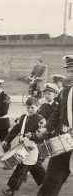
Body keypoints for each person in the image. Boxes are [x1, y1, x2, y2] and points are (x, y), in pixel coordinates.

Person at [37, 55, 73, 196]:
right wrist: (46, 127)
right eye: (69, 71)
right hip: (64, 141)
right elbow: (57, 115)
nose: (71, 75)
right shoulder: (66, 91)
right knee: (51, 180)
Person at [1, 97, 46, 196]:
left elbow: (43, 136)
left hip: (34, 148)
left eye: (32, 108)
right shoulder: (23, 117)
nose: (30, 110)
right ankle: (47, 185)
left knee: (22, 168)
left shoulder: (41, 120)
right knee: (35, 168)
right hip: (24, 147)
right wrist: (6, 140)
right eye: (28, 108)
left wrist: (33, 136)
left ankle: (12, 189)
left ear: (37, 107)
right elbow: (15, 129)